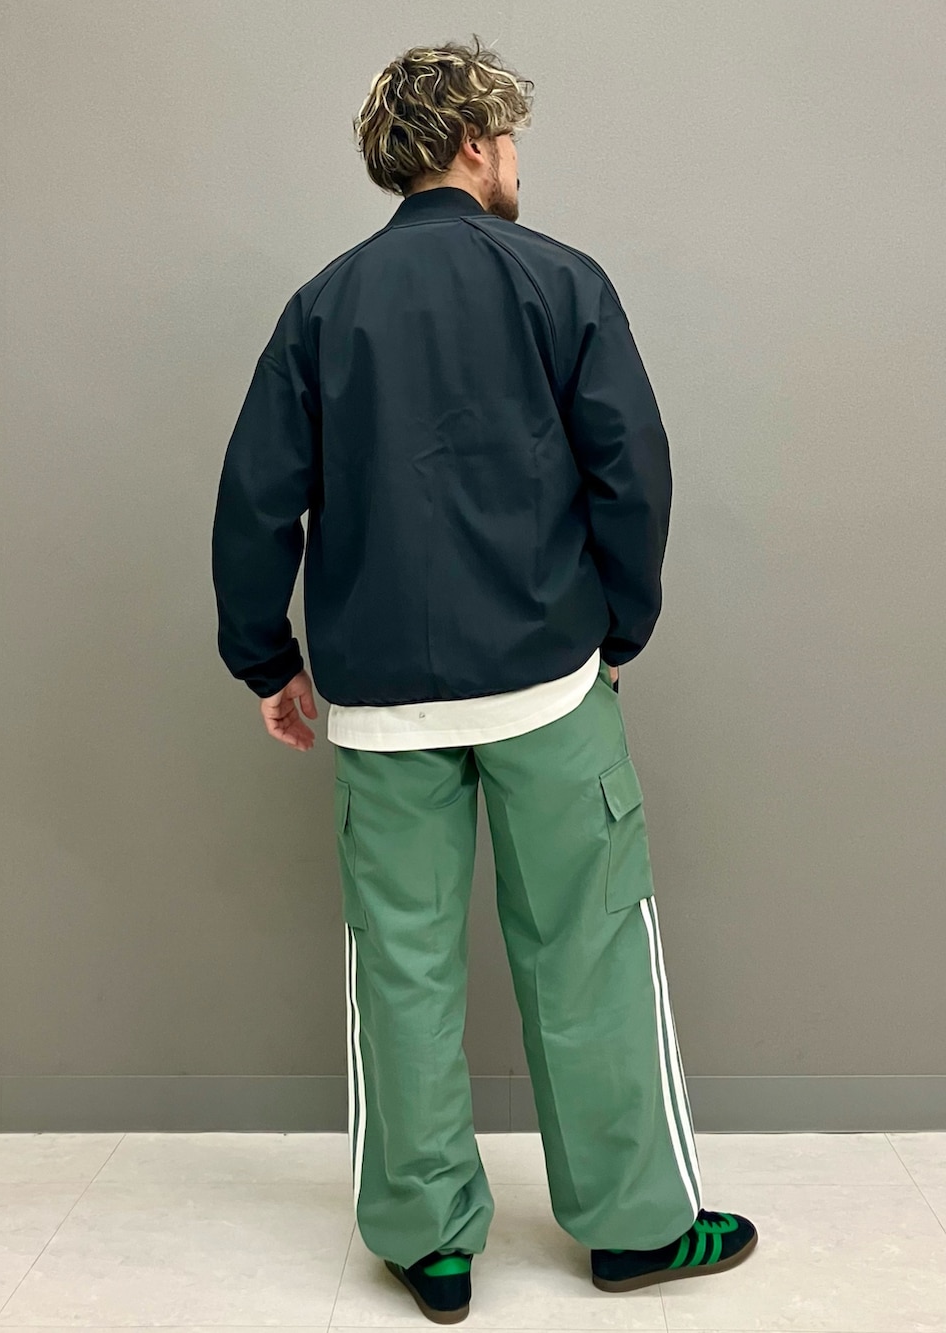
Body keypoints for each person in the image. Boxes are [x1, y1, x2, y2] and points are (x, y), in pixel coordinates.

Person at [211, 33, 757, 1325]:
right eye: (508, 137)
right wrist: (620, 624)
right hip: (548, 679)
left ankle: (429, 1243)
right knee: (589, 949)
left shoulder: (322, 306)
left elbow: (255, 498)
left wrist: (266, 658)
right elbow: (633, 466)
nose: (516, 160)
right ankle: (634, 1229)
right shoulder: (560, 280)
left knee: (401, 966)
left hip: (380, 696)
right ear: (473, 142)